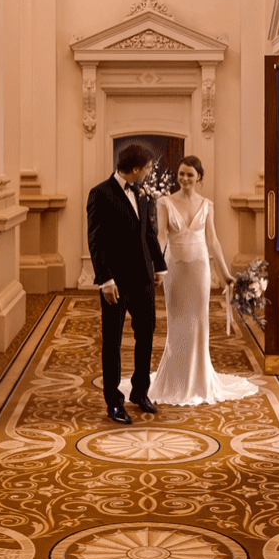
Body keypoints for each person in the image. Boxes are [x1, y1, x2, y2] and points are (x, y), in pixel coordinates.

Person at [121, 155, 259, 406]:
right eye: (181, 173)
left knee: (199, 323)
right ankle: (175, 379)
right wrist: (155, 268)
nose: (184, 178)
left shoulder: (207, 204)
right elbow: (161, 236)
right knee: (176, 324)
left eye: (190, 175)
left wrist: (225, 273)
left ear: (199, 179)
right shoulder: (164, 202)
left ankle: (199, 381)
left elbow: (213, 241)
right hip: (174, 270)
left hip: (199, 270)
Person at [87, 144, 168, 425]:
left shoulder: (142, 193)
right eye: (147, 168)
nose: (148, 173)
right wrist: (104, 279)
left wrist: (158, 266)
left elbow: (149, 234)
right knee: (113, 342)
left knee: (145, 334)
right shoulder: (100, 194)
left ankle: (139, 392)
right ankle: (114, 403)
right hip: (115, 282)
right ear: (135, 169)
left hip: (143, 279)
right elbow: (95, 242)